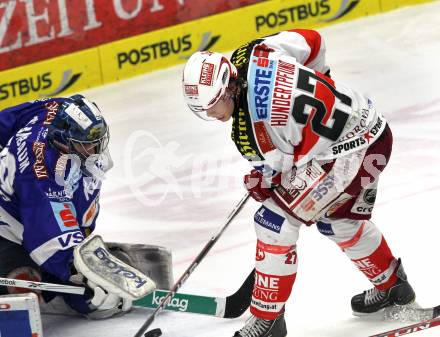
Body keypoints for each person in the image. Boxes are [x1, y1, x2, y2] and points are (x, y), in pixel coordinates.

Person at [182, 29, 416, 337]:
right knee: (340, 220)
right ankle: (393, 286)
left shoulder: (252, 132)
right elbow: (313, 40)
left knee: (273, 221)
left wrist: (262, 182)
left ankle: (268, 321)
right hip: (373, 127)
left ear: (227, 91)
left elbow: (280, 175)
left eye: (212, 107)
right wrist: (323, 80)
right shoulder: (253, 52)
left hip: (350, 157)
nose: (212, 115)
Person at [0, 94, 134, 319]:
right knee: (24, 284)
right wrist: (80, 272)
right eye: (86, 145)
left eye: (96, 141)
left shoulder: (59, 108)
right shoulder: (38, 172)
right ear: (63, 142)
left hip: (30, 211)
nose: (95, 149)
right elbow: (45, 233)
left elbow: (6, 120)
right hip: (7, 228)